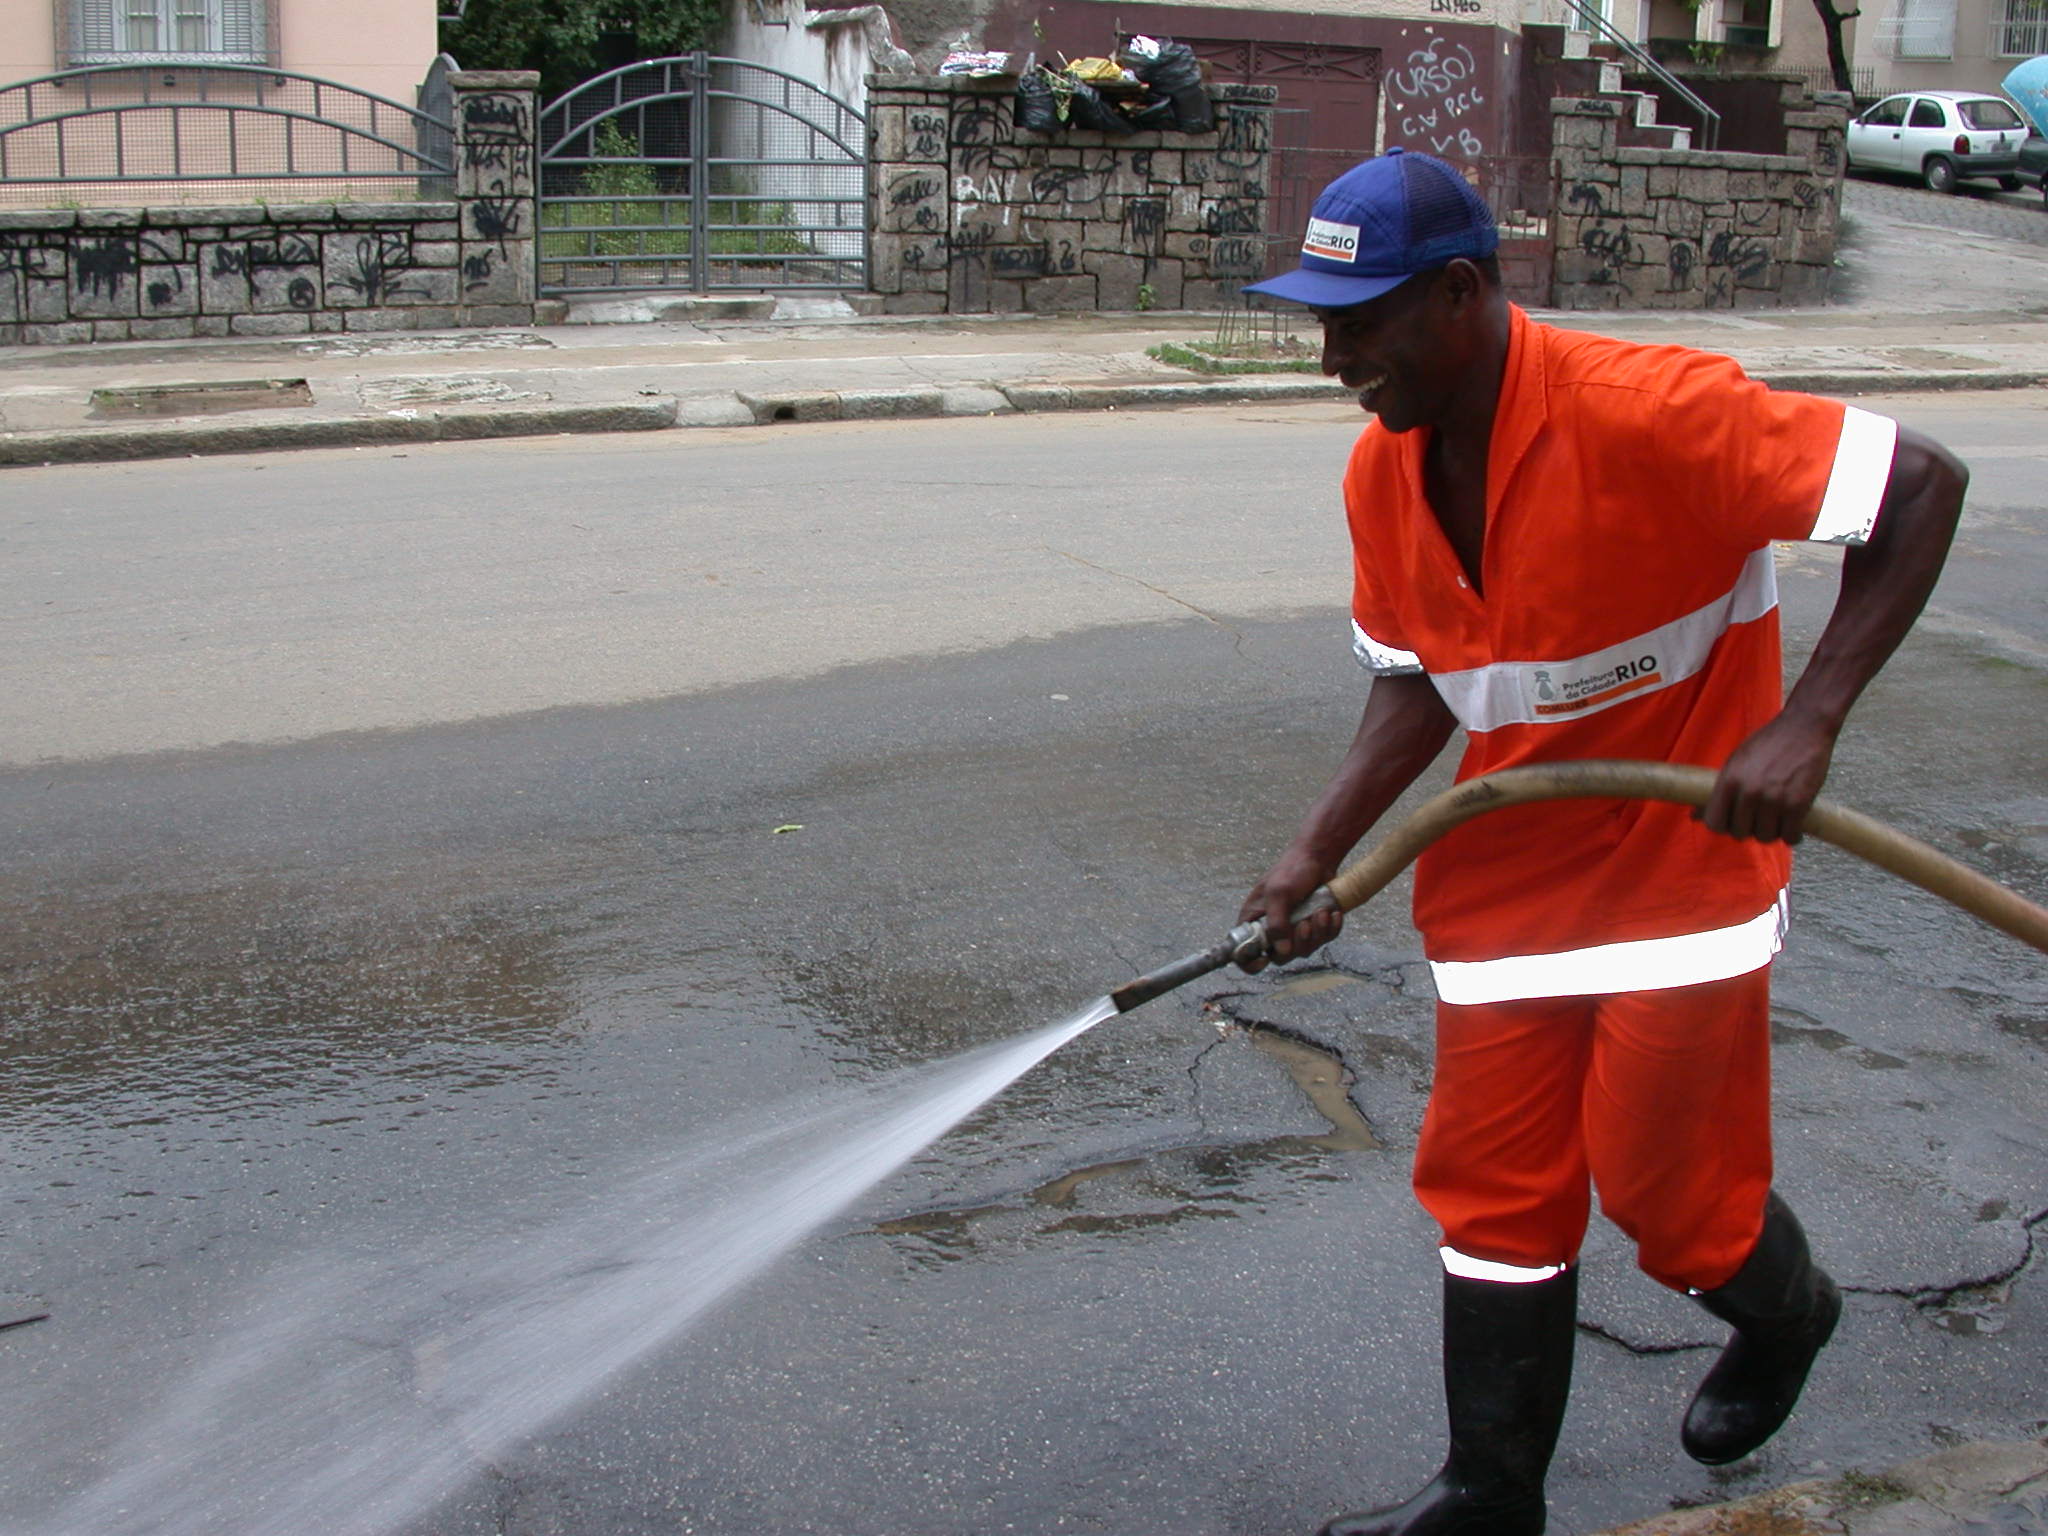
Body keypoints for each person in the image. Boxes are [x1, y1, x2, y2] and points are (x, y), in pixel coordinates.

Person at [1236, 149, 1968, 1536]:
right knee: (1491, 1194)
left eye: (1359, 323)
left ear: (1459, 296)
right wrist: (1312, 856)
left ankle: (1787, 1314)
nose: (1333, 359)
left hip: (1687, 860)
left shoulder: (1653, 412)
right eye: (1320, 323)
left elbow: (1921, 487)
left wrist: (1807, 721)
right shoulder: (1382, 472)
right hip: (1509, 879)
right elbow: (1420, 682)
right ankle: (1493, 1489)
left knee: (1671, 1198)